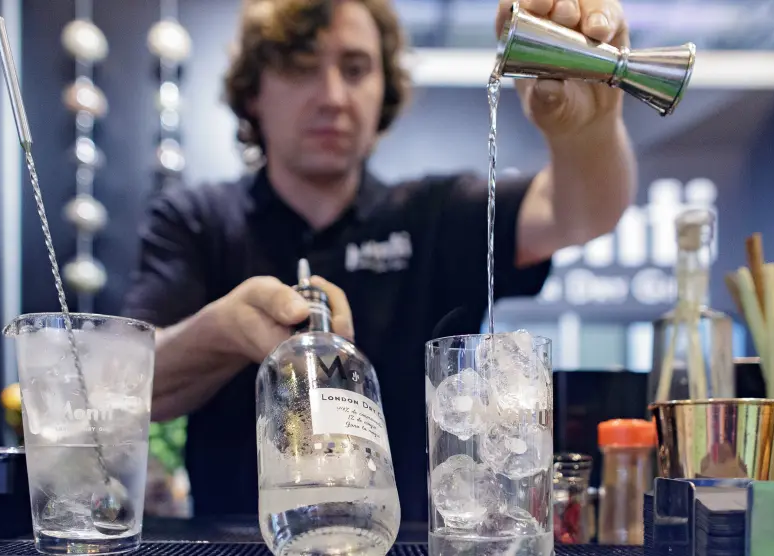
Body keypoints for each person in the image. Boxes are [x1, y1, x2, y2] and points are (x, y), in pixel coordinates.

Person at [122, 0, 637, 522]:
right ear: (254, 91)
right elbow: (130, 387)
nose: (332, 97)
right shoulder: (196, 220)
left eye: (355, 69)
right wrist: (222, 332)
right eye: (300, 68)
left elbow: (580, 212)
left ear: (383, 90)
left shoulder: (434, 214)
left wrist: (586, 130)